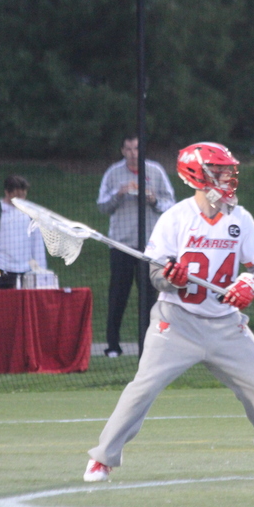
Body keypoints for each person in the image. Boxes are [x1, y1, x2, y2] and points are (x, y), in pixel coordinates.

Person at [84, 142, 254, 482]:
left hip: (226, 325)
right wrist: (173, 277)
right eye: (220, 171)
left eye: (230, 171)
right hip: (177, 321)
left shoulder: (240, 219)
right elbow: (156, 276)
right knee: (142, 388)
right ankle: (103, 458)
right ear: (197, 175)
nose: (228, 178)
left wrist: (251, 284)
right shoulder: (175, 218)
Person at [97, 135, 176, 357]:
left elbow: (171, 204)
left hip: (150, 247)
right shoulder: (113, 173)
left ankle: (149, 346)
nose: (133, 153)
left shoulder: (155, 171)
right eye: (129, 149)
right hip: (121, 244)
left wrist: (153, 200)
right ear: (122, 150)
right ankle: (113, 346)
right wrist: (119, 194)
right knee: (118, 296)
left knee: (150, 298)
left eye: (137, 148)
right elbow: (102, 206)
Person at [0, 175, 47, 286]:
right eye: (17, 196)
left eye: (23, 195)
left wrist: (41, 273)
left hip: (26, 273)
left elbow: (38, 244)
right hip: (0, 271)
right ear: (7, 192)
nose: (21, 199)